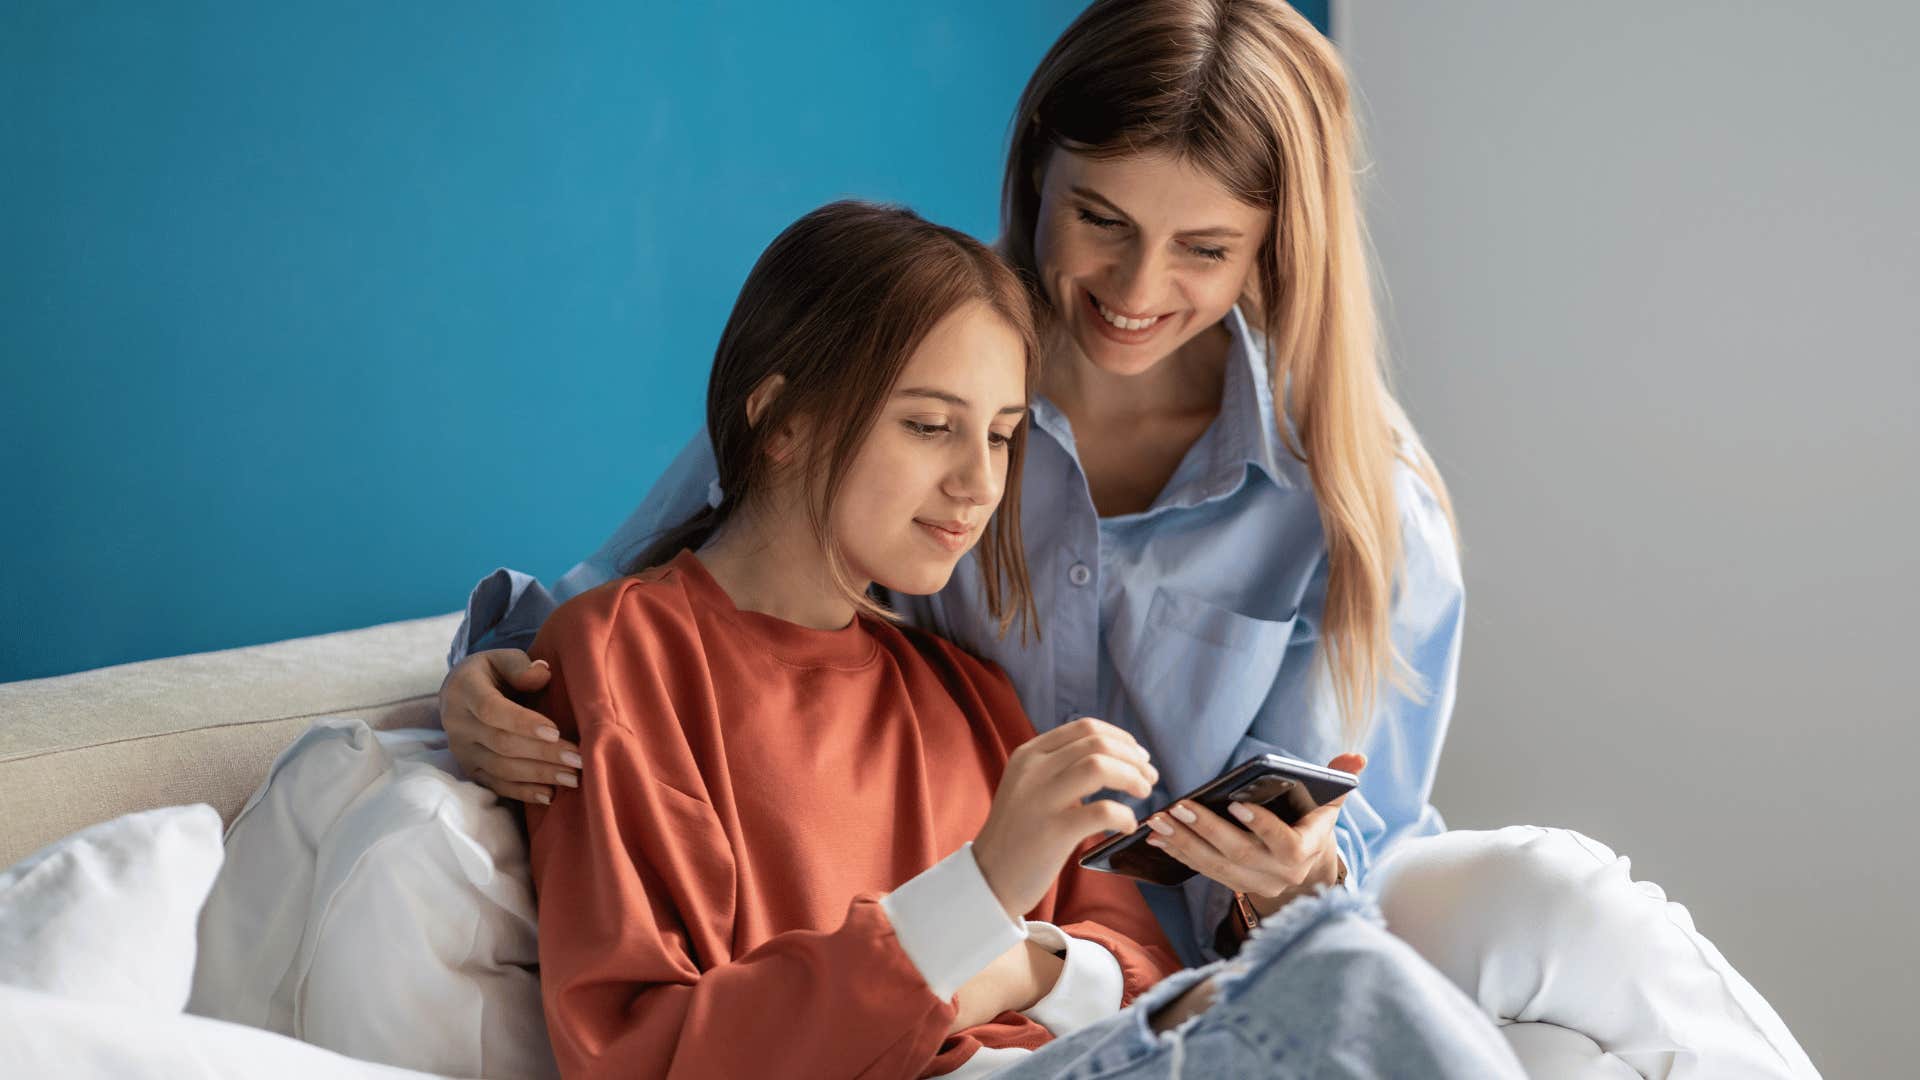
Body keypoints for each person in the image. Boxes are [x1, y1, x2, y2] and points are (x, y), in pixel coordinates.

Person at [446, 3, 1818, 1076]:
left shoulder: (1353, 486)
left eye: (1205, 250)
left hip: (1239, 927)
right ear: (1037, 171)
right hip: (1005, 916)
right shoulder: (897, 374)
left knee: (1552, 897)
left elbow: (1361, 823)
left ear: (1276, 249)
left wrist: (1283, 887)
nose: (1136, 289)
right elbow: (669, 576)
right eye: (1099, 220)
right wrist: (492, 670)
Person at [522, 199, 1524, 1078]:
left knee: (1358, 966)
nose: (978, 483)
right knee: (1349, 985)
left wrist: (1021, 962)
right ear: (783, 422)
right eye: (929, 426)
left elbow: (1144, 972)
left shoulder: (961, 690)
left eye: (1001, 434)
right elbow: (643, 1053)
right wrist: (983, 890)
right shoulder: (626, 655)